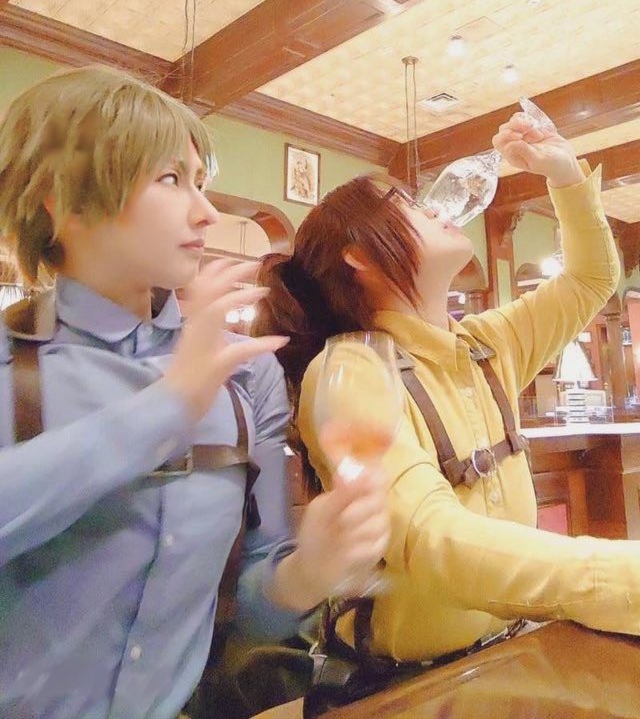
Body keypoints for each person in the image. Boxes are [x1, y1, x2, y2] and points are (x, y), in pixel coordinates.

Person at [255, 111, 640, 671]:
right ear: (360, 255)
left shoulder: (484, 344)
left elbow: (590, 280)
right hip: (412, 686)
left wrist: (565, 177)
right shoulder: (351, 368)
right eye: (407, 205)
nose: (437, 207)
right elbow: (430, 536)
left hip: (512, 653)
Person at [0, 65, 389, 719]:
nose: (207, 212)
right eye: (170, 179)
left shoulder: (245, 372)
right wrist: (167, 406)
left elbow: (248, 602)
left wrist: (307, 573)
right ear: (60, 200)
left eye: (200, 183)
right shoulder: (13, 359)